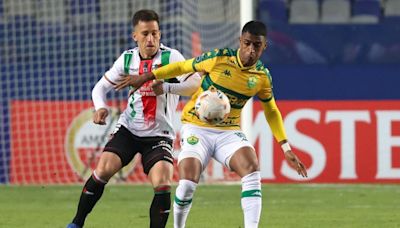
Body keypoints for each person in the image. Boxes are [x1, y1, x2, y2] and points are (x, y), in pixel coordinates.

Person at [115, 20, 308, 228]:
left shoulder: (262, 77)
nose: (251, 50)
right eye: (247, 43)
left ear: (264, 46)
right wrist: (147, 76)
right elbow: (182, 66)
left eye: (257, 46)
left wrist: (285, 147)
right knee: (188, 180)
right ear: (240, 41)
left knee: (252, 168)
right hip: (196, 127)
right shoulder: (218, 58)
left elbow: (271, 110)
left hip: (228, 131)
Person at [67, 9, 201, 228]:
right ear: (135, 36)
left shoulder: (171, 57)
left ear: (160, 34)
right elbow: (100, 88)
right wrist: (100, 107)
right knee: (102, 170)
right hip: (128, 129)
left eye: (155, 33)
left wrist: (167, 86)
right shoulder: (127, 58)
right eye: (145, 33)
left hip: (160, 133)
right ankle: (76, 223)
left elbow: (195, 84)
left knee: (163, 182)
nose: (151, 39)